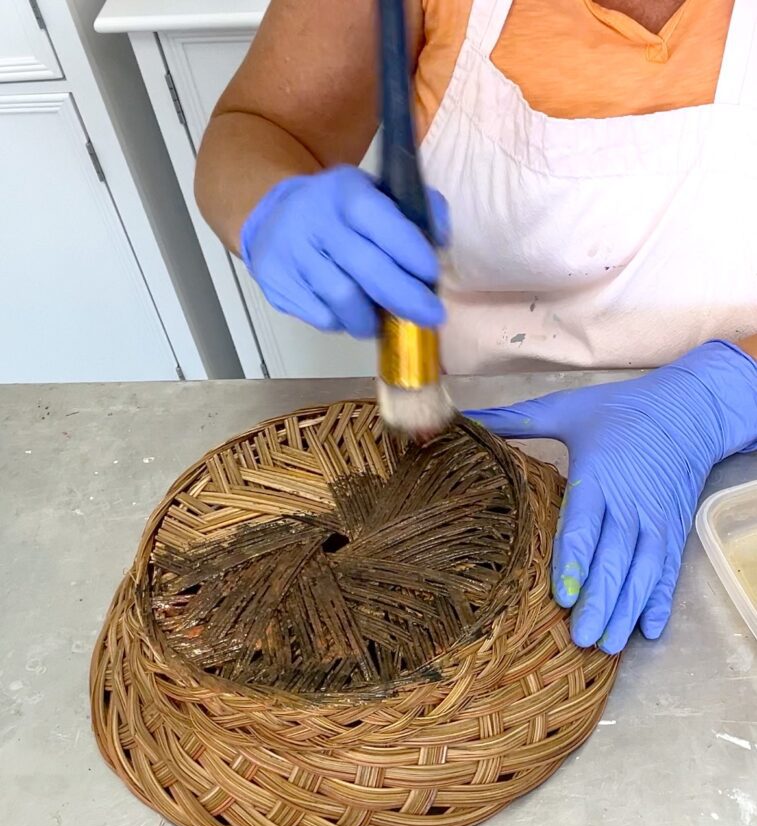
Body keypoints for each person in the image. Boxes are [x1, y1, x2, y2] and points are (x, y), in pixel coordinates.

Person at [195, 0, 757, 654]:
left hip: (735, 490)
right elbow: (258, 126)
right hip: (458, 455)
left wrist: (719, 396)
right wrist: (268, 207)